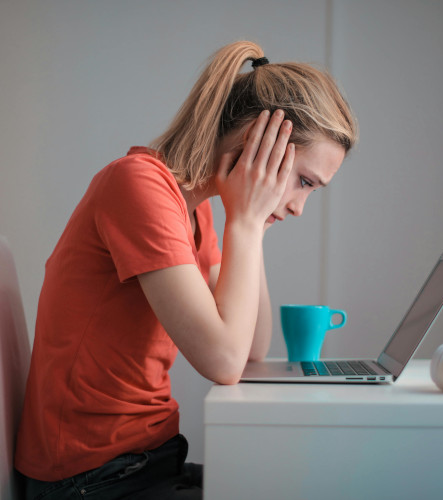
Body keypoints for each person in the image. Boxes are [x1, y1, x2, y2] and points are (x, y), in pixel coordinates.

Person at [15, 40, 357, 499]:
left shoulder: (195, 211)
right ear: (260, 144)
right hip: (90, 477)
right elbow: (224, 362)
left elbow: (251, 347)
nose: (300, 206)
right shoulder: (138, 186)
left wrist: (251, 222)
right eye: (304, 181)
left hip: (148, 458)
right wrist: (248, 222)